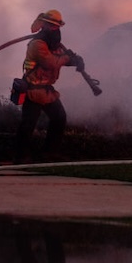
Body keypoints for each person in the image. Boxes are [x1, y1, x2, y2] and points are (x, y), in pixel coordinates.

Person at [15, 9, 84, 163]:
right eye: (53, 27)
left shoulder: (53, 45)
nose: (56, 30)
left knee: (59, 118)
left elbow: (61, 57)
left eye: (57, 27)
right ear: (45, 26)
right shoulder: (37, 44)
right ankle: (21, 156)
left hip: (46, 91)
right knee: (28, 124)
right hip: (33, 90)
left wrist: (76, 61)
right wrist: (67, 58)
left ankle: (49, 153)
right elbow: (51, 62)